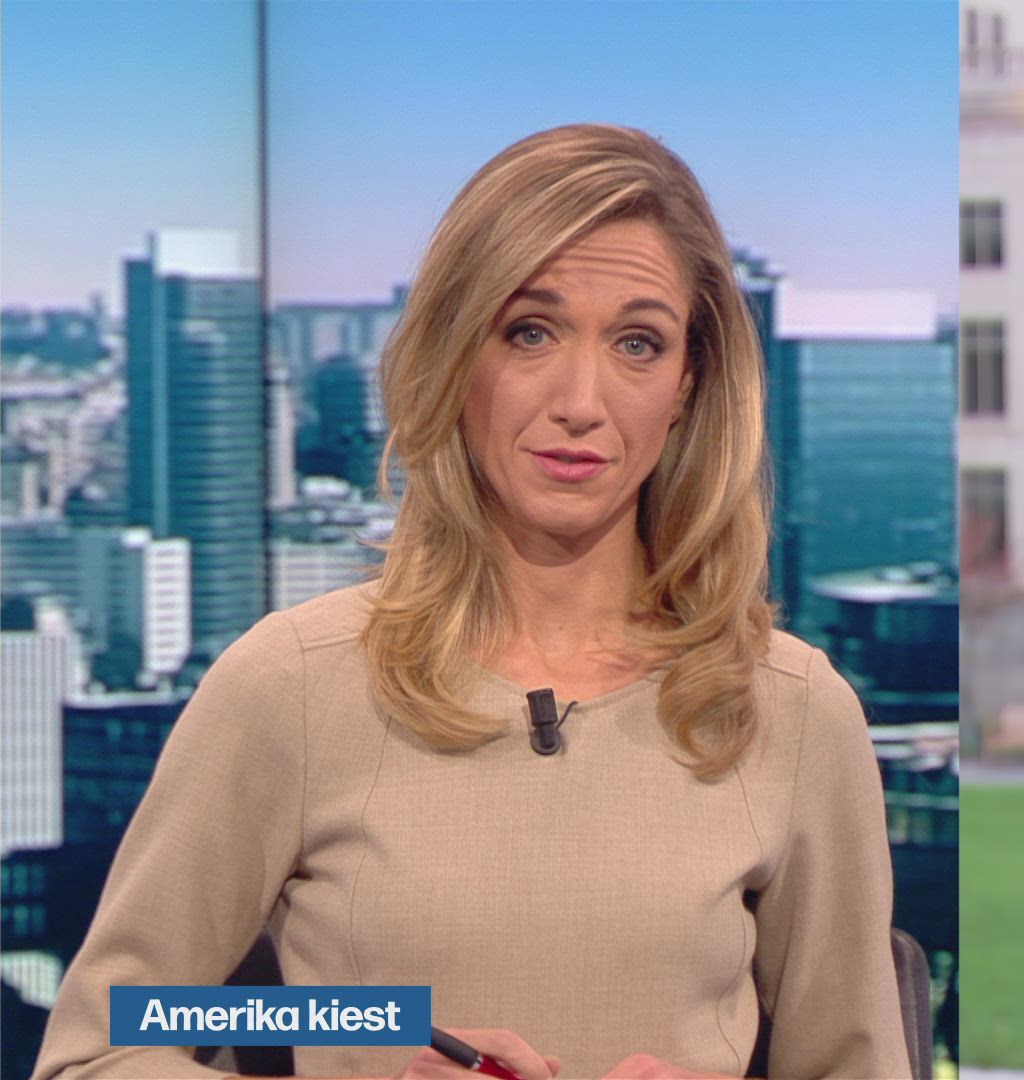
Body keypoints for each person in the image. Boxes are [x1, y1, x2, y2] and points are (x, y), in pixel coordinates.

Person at [34, 124, 909, 1080]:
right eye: (530, 331)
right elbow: (103, 1049)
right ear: (454, 357)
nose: (582, 401)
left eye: (637, 343)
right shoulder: (293, 685)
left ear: (686, 386)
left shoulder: (790, 708)